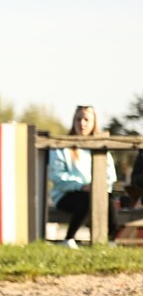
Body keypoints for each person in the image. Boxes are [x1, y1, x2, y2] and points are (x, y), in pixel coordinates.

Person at [48, 105, 118, 248]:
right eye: (78, 119)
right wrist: (82, 186)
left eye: (86, 119)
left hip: (96, 192)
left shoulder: (101, 146)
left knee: (109, 199)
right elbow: (57, 177)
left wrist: (98, 186)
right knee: (87, 198)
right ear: (73, 121)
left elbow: (110, 176)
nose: (82, 123)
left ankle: (110, 241)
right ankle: (69, 238)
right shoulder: (63, 147)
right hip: (66, 195)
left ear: (93, 123)